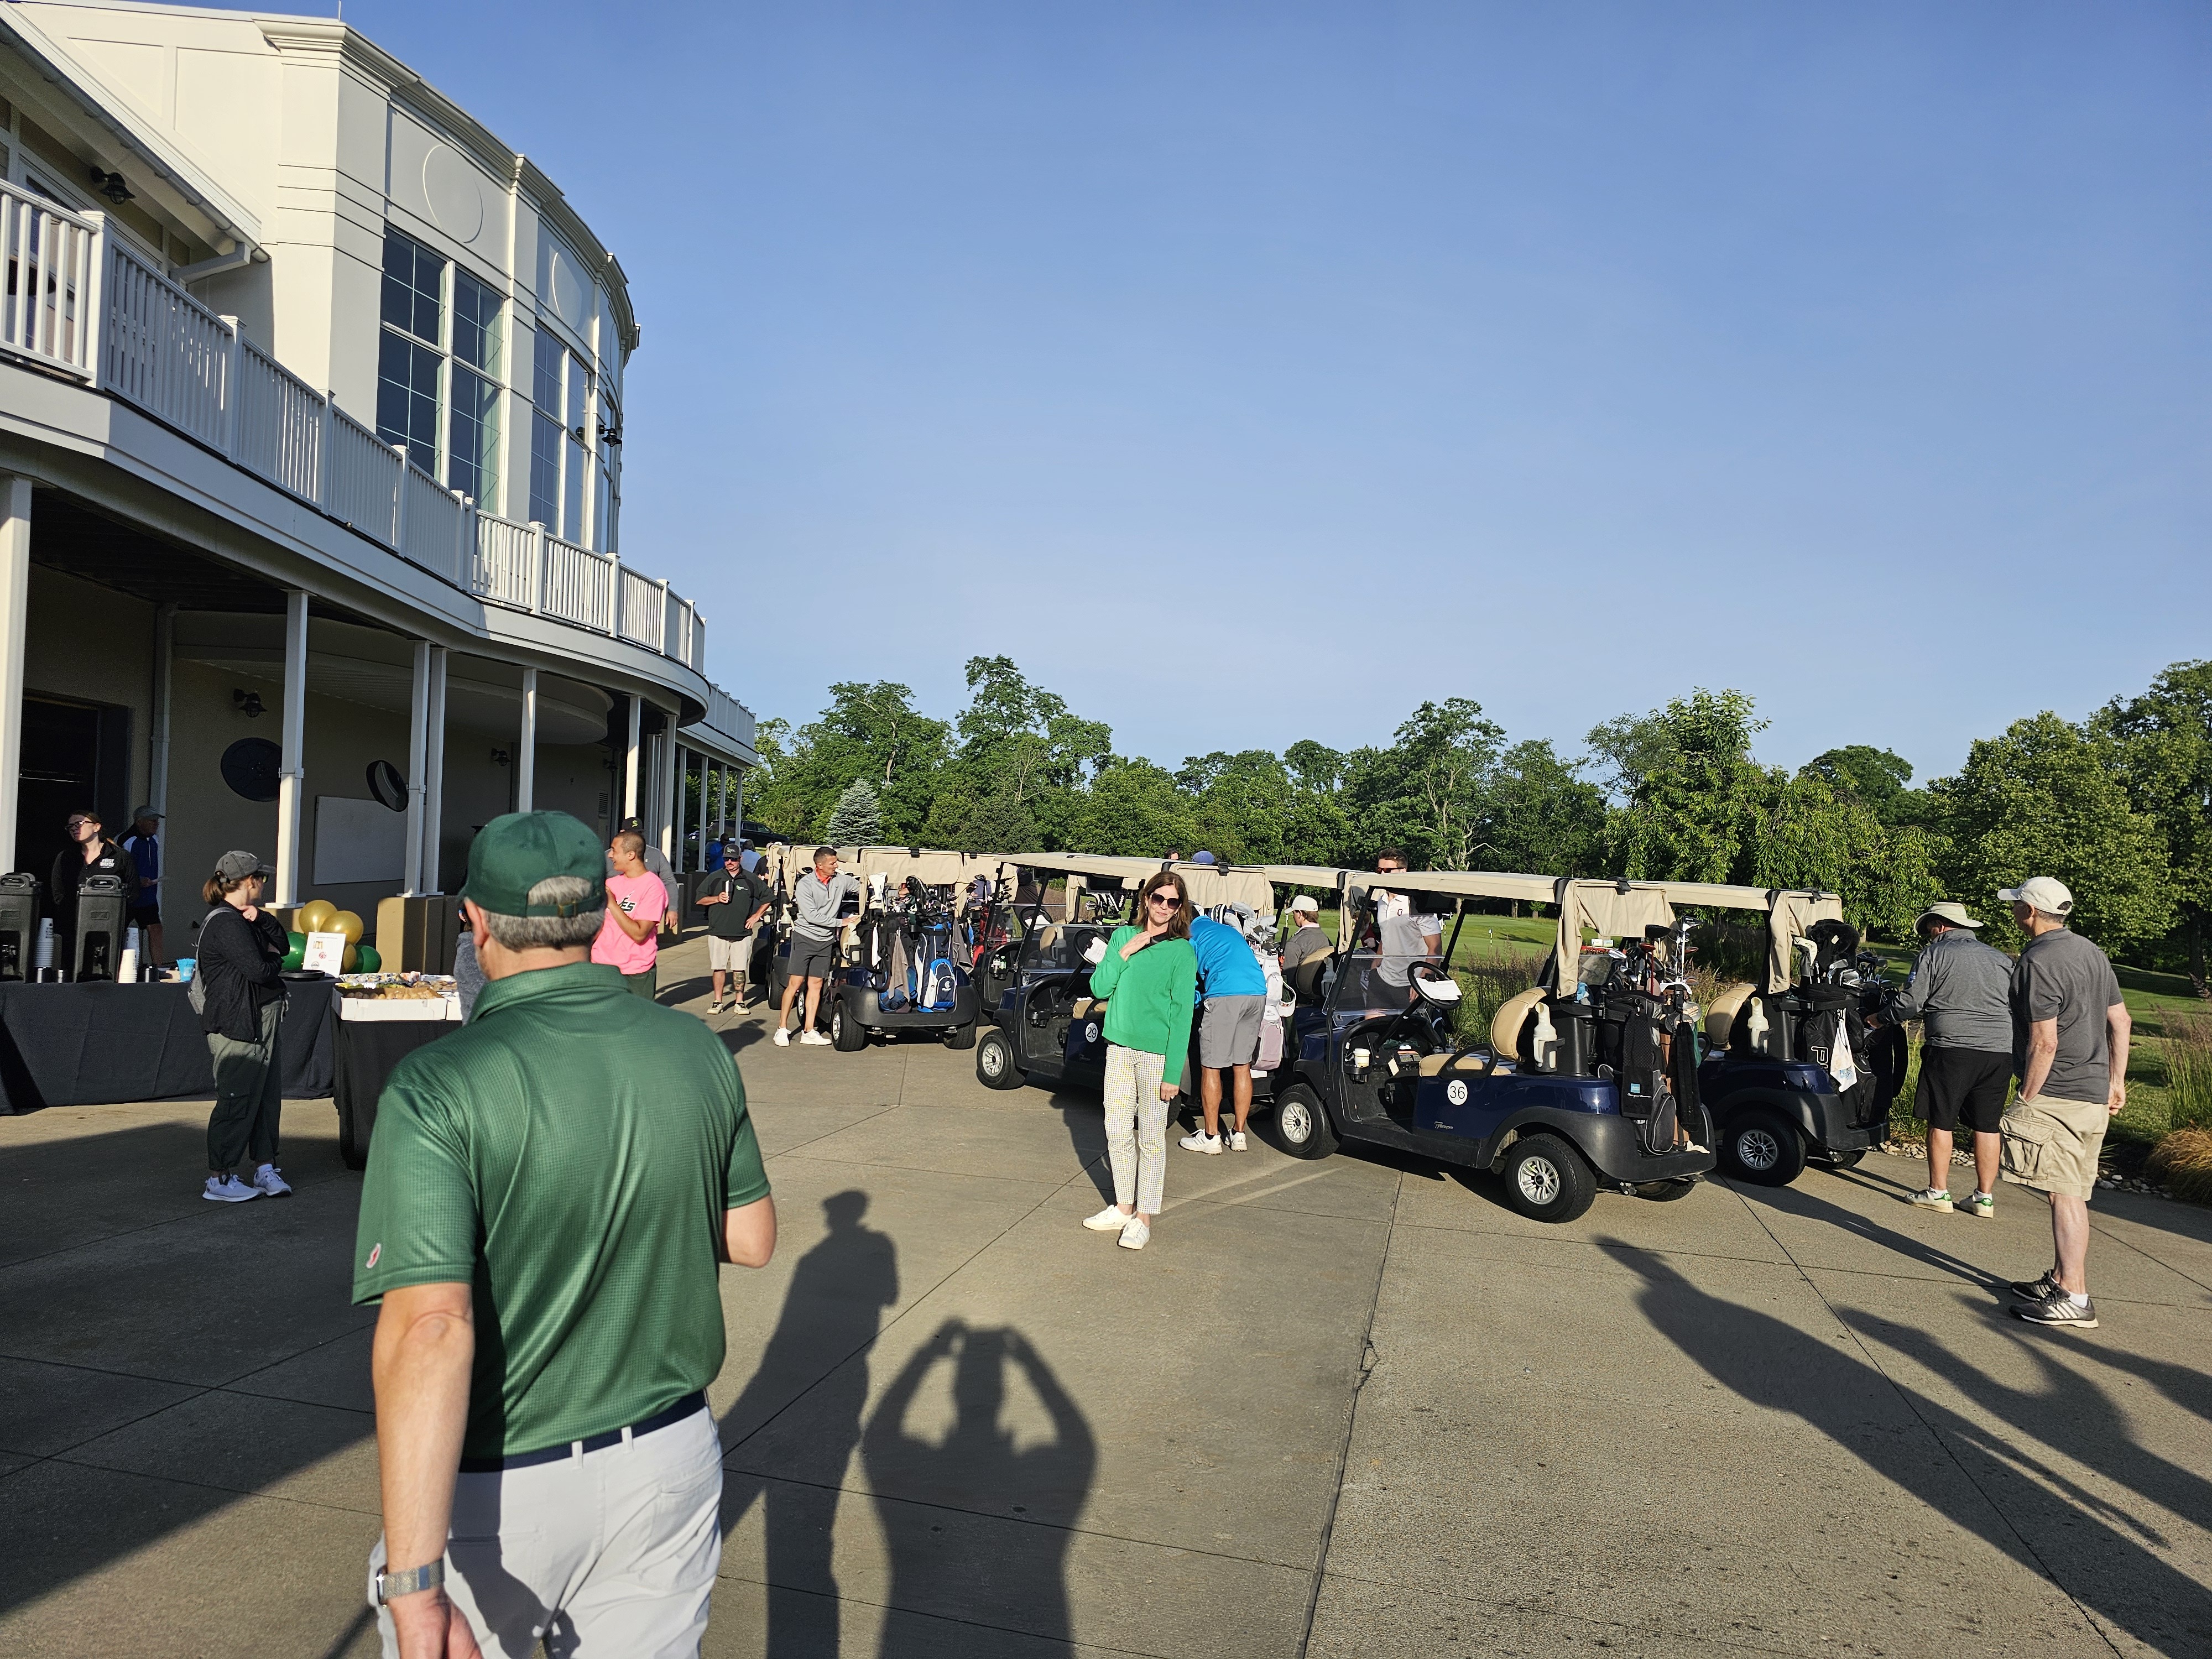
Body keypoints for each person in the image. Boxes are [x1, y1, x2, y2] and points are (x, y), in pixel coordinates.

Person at [353, 810, 776, 1655]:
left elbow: (432, 1328)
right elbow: (752, 1239)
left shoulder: (438, 1084)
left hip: (503, 1486)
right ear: (597, 911)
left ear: (474, 921)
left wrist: (415, 1582)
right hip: (669, 1457)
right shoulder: (695, 1049)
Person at [1999, 877, 2130, 1331]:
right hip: (2091, 1094)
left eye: (2017, 904)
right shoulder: (2091, 952)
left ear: (2031, 912)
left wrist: (2026, 1096)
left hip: (2059, 1094)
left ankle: (2074, 1295)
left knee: (2065, 1194)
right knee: (2068, 1189)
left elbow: (2045, 1042)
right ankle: (2059, 1280)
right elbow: (2121, 1020)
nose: (2013, 911)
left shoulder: (2039, 959)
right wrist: (2116, 1081)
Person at [1081, 869, 1198, 1251]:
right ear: (1147, 899)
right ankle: (1123, 1206)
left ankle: (1143, 1218)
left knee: (1151, 1138)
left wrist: (1173, 1072)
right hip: (1118, 1047)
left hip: (1156, 1055)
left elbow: (1182, 1015)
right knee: (1116, 1130)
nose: (1164, 906)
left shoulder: (1181, 951)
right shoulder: (1122, 937)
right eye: (1158, 898)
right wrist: (1126, 951)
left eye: (1172, 901)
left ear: (1179, 908)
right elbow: (1099, 987)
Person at [1893, 901, 2016, 1217]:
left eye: (1929, 928)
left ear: (1940, 924)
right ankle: (1984, 1198)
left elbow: (1912, 1002)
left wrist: (1879, 1019)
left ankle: (1938, 1192)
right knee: (1987, 1125)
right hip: (1999, 1051)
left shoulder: (1934, 953)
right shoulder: (2001, 959)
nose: (1929, 935)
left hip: (1951, 1048)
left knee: (1941, 1119)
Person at [194, 851, 290, 1203]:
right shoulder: (226, 924)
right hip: (238, 1023)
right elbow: (260, 970)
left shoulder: (245, 918)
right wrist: (275, 961)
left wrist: (262, 918)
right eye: (262, 878)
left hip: (260, 1018)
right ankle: (219, 1179)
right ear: (250, 881)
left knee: (266, 1097)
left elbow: (283, 944)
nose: (265, 883)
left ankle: (265, 1168)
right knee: (236, 1100)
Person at [1180, 906, 1268, 1155]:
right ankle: (1239, 1134)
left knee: (1211, 1067)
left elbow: (1188, 982)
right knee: (1242, 1066)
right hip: (1257, 992)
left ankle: (1211, 1137)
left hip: (1225, 994)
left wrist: (1196, 1001)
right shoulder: (1225, 930)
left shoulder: (1190, 937)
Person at [776, 847, 858, 1047]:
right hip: (805, 938)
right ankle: (782, 1028)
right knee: (795, 983)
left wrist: (896, 891)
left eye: (836, 862)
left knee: (817, 984)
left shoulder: (841, 880)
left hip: (825, 940)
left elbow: (863, 888)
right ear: (819, 865)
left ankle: (808, 1031)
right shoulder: (805, 884)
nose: (836, 866)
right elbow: (811, 916)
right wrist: (841, 922)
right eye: (832, 863)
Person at [49, 808, 138, 974]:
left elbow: (133, 893)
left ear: (97, 827)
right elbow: (58, 892)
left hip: (109, 931)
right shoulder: (66, 857)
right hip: (74, 931)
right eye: (70, 826)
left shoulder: (120, 857)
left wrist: (119, 920)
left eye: (80, 823)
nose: (74, 828)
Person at [594, 830, 668, 999]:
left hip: (635, 972)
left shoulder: (653, 886)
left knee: (635, 1016)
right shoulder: (610, 884)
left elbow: (639, 934)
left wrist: (612, 904)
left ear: (631, 855)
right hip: (601, 967)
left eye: (614, 850)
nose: (610, 855)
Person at [698, 847, 770, 1014]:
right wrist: (716, 898)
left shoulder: (750, 879)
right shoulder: (715, 877)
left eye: (733, 859)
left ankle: (740, 1002)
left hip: (742, 933)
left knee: (739, 969)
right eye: (726, 859)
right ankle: (718, 1001)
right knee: (718, 967)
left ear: (740, 858)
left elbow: (768, 897)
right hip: (718, 931)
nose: (730, 862)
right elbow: (700, 899)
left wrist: (756, 917)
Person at [1371, 849, 1441, 998]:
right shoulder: (1381, 901)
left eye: (1387, 871)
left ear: (1403, 872)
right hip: (1382, 977)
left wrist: (1422, 982)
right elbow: (1386, 935)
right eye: (1379, 870)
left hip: (1411, 983)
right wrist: (1375, 965)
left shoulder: (1417, 904)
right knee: (1371, 1014)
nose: (1382, 875)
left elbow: (1435, 948)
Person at [121, 805, 165, 967]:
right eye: (152, 820)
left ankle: (158, 967)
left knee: (155, 928)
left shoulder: (154, 840)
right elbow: (120, 867)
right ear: (139, 822)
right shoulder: (127, 840)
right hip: (128, 896)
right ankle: (117, 966)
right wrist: (138, 880)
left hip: (148, 896)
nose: (156, 823)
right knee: (120, 930)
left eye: (157, 820)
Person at [1281, 894, 1331, 979]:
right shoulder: (1325, 939)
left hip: (1297, 987)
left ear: (1300, 914)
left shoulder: (1294, 944)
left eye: (1294, 913)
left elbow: (1286, 980)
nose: (1293, 917)